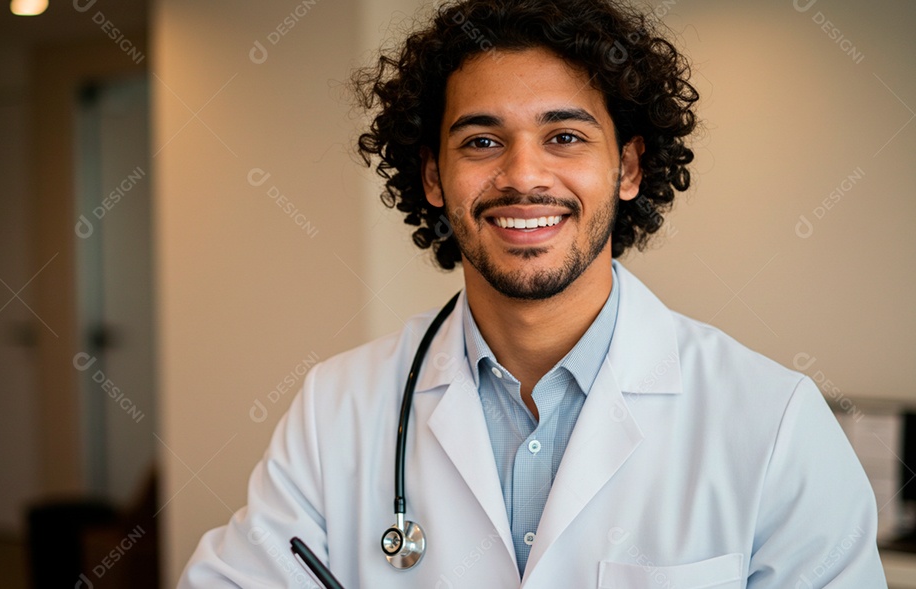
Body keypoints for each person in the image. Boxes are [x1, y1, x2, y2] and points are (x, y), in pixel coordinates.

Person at [179, 0, 887, 586]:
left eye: (565, 137)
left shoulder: (774, 423)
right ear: (432, 177)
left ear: (629, 166)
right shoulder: (338, 408)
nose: (523, 176)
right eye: (482, 141)